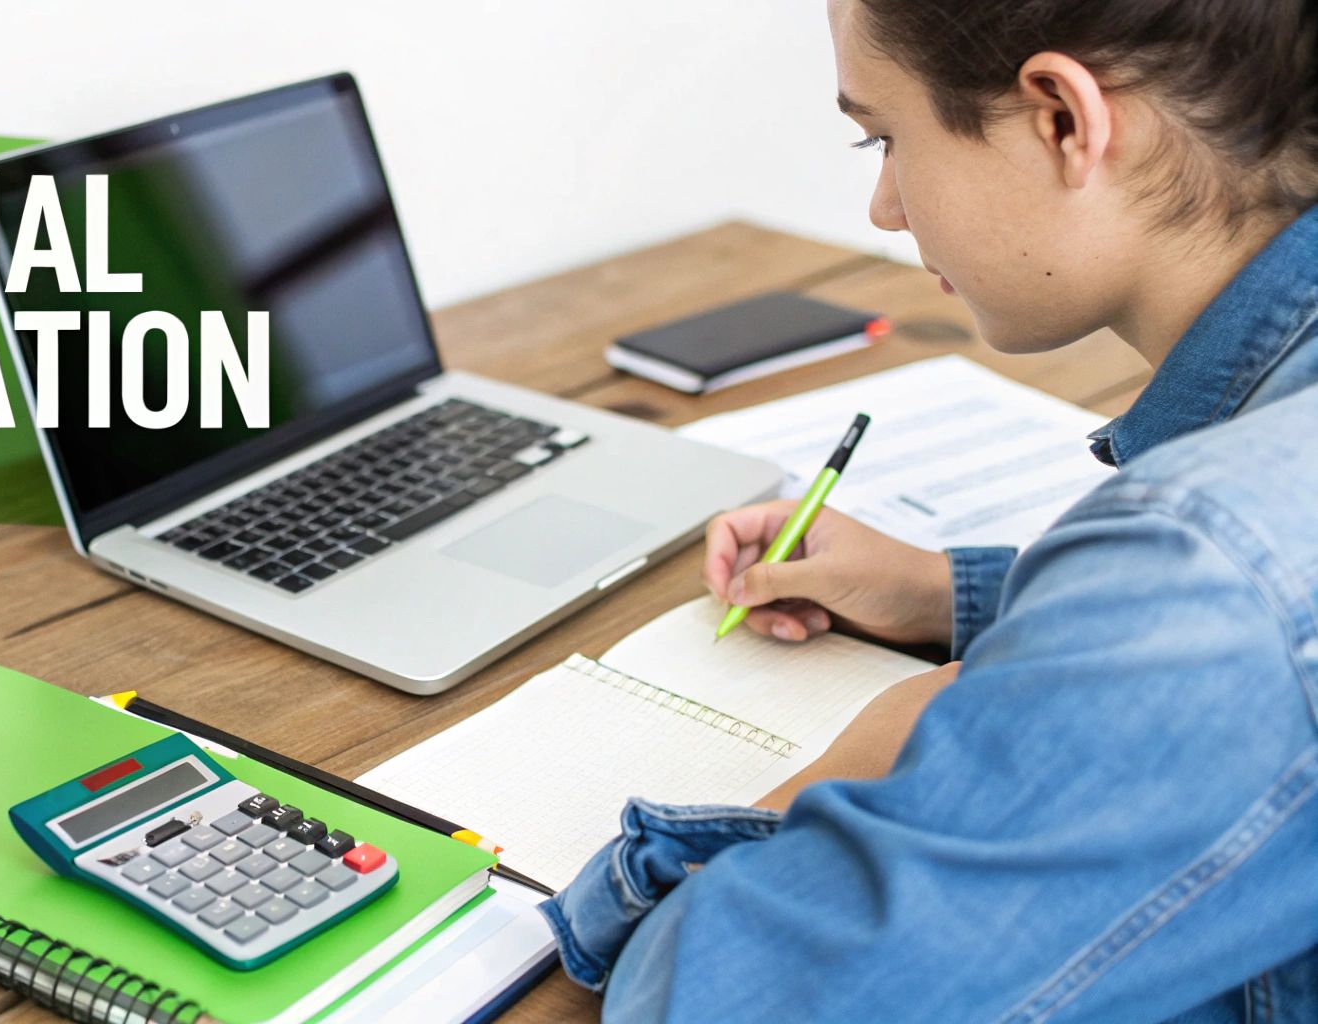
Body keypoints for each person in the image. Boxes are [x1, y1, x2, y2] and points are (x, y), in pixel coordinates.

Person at [540, 0, 1318, 1020]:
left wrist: (841, 770)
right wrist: (949, 591)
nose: (882, 207)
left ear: (1061, 120)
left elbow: (722, 1001)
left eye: (884, 137)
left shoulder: (1203, 573)